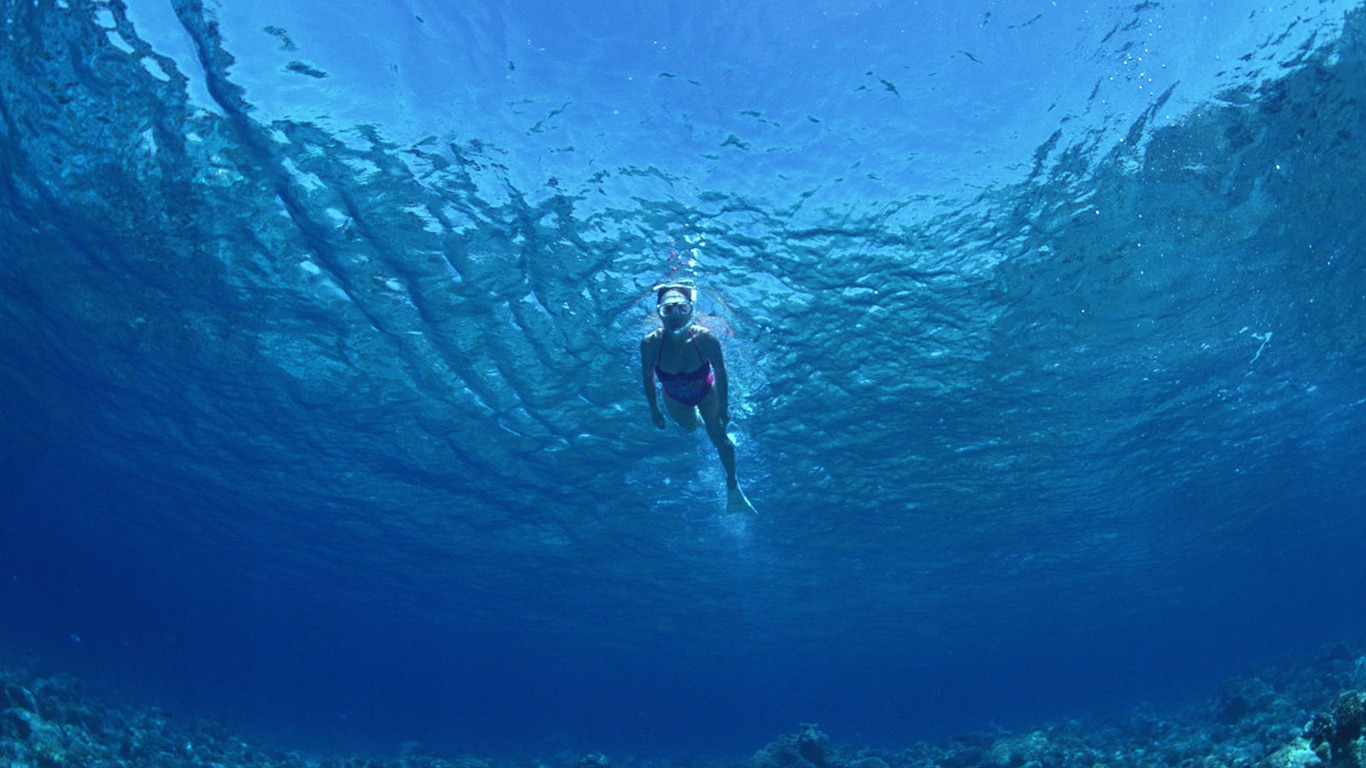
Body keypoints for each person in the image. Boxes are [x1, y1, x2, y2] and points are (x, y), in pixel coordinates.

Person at [640, 283, 756, 514]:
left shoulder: (705, 339)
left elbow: (721, 374)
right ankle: (706, 422)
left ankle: (733, 486)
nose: (675, 316)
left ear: (691, 311)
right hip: (675, 398)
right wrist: (654, 410)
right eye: (668, 309)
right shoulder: (650, 343)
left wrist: (724, 407)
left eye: (682, 308)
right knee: (691, 427)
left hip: (706, 393)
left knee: (720, 439)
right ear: (659, 312)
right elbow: (647, 378)